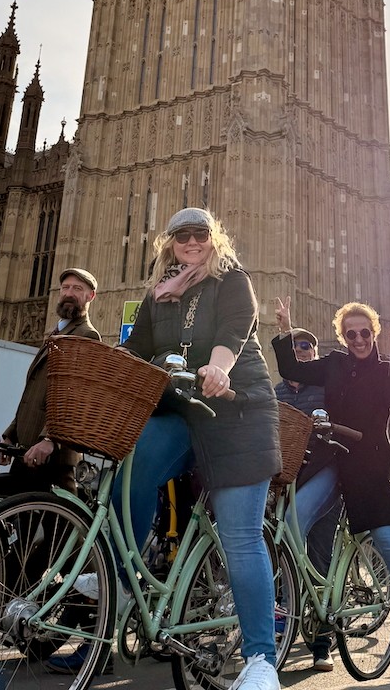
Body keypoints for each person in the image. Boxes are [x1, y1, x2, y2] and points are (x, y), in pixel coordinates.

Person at [110, 207, 283, 690]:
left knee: (240, 537)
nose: (191, 241)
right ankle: (124, 584)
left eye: (200, 234)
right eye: (181, 235)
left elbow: (235, 330)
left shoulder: (231, 279)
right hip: (182, 408)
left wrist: (220, 367)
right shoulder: (158, 294)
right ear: (169, 242)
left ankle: (260, 661)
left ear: (214, 239)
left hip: (236, 409)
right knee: (133, 464)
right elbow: (137, 349)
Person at [273, 297, 390, 676]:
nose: (358, 338)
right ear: (342, 335)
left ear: (374, 333)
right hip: (332, 459)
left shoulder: (386, 370)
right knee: (291, 521)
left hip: (369, 467)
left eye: (364, 332)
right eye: (350, 333)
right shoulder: (333, 363)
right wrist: (285, 327)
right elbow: (289, 366)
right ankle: (286, 608)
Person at [0, 267, 100, 496]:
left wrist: (50, 439)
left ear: (91, 296)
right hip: (27, 449)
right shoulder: (55, 333)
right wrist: (11, 435)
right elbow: (33, 394)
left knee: (58, 526)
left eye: (77, 289)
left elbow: (75, 395)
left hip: (53, 455)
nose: (69, 293)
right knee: (21, 522)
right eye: (65, 288)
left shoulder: (87, 335)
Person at [274, 328, 339, 672]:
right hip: (286, 479)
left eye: (307, 346)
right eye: (295, 346)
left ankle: (320, 641)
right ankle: (284, 612)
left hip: (323, 473)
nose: (301, 351)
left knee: (317, 551)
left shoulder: (326, 389)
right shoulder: (277, 392)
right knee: (279, 543)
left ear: (314, 353)